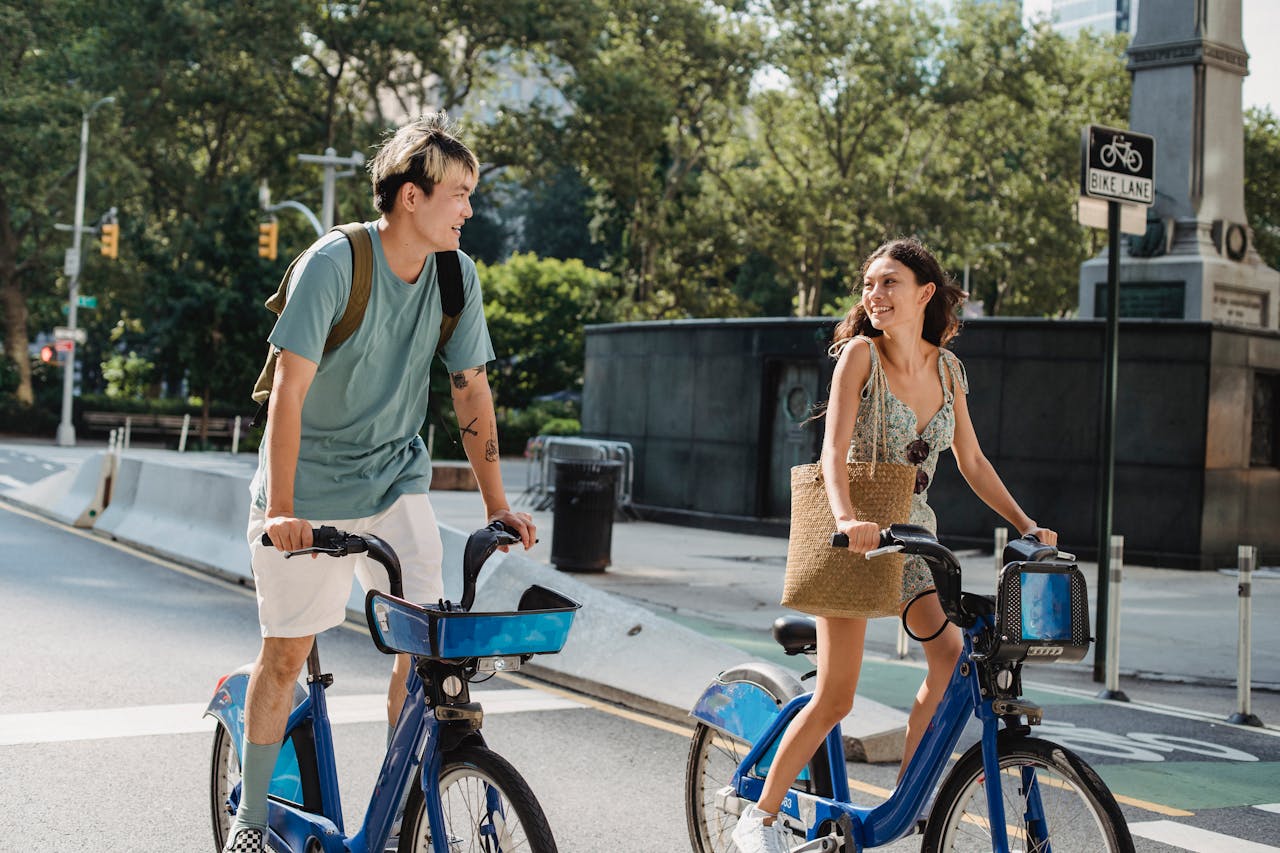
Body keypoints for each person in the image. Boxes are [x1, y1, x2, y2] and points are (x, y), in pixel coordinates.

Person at [223, 113, 535, 853]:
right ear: (409, 197)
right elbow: (288, 394)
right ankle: (250, 817)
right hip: (308, 489)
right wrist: (286, 510)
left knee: (430, 652)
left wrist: (497, 505)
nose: (468, 208)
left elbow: (471, 390)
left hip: (396, 480)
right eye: (458, 192)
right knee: (286, 658)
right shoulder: (335, 263)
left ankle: (407, 808)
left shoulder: (456, 275)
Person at [732, 237, 1057, 853]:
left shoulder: (949, 369)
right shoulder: (860, 355)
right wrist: (849, 517)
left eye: (889, 284)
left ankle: (912, 797)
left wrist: (1024, 523)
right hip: (854, 535)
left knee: (950, 661)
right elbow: (832, 449)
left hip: (916, 537)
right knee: (836, 695)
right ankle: (760, 817)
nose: (874, 296)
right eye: (869, 285)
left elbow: (973, 459)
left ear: (924, 293)